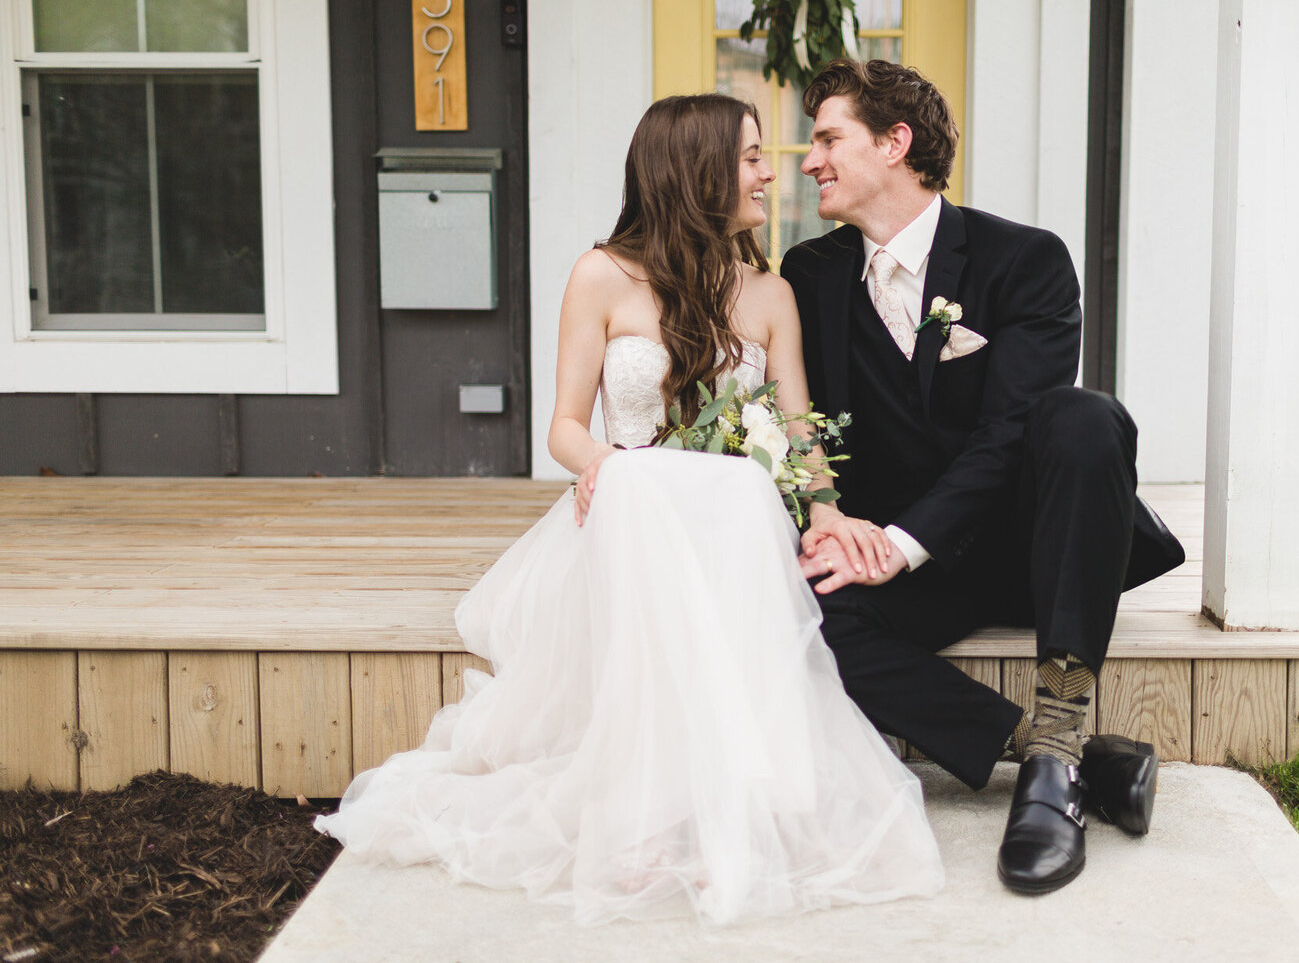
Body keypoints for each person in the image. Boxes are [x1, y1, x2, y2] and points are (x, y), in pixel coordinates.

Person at [314, 94, 944, 926]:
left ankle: (721, 810)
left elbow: (797, 432)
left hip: (728, 528)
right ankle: (651, 812)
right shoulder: (601, 274)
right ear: (695, 170)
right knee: (660, 501)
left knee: (739, 497)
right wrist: (611, 471)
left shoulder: (769, 294)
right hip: (630, 512)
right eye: (751, 157)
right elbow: (565, 431)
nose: (769, 172)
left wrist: (825, 511)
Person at [779, 59, 1185, 895]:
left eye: (828, 137)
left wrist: (901, 543)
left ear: (895, 143)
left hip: (1033, 544)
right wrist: (836, 525)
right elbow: (804, 423)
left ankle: (1062, 730)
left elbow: (1008, 435)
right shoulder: (810, 274)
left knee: (1083, 416)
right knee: (798, 616)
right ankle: (1059, 755)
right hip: (916, 562)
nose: (809, 158)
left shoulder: (1025, 260)